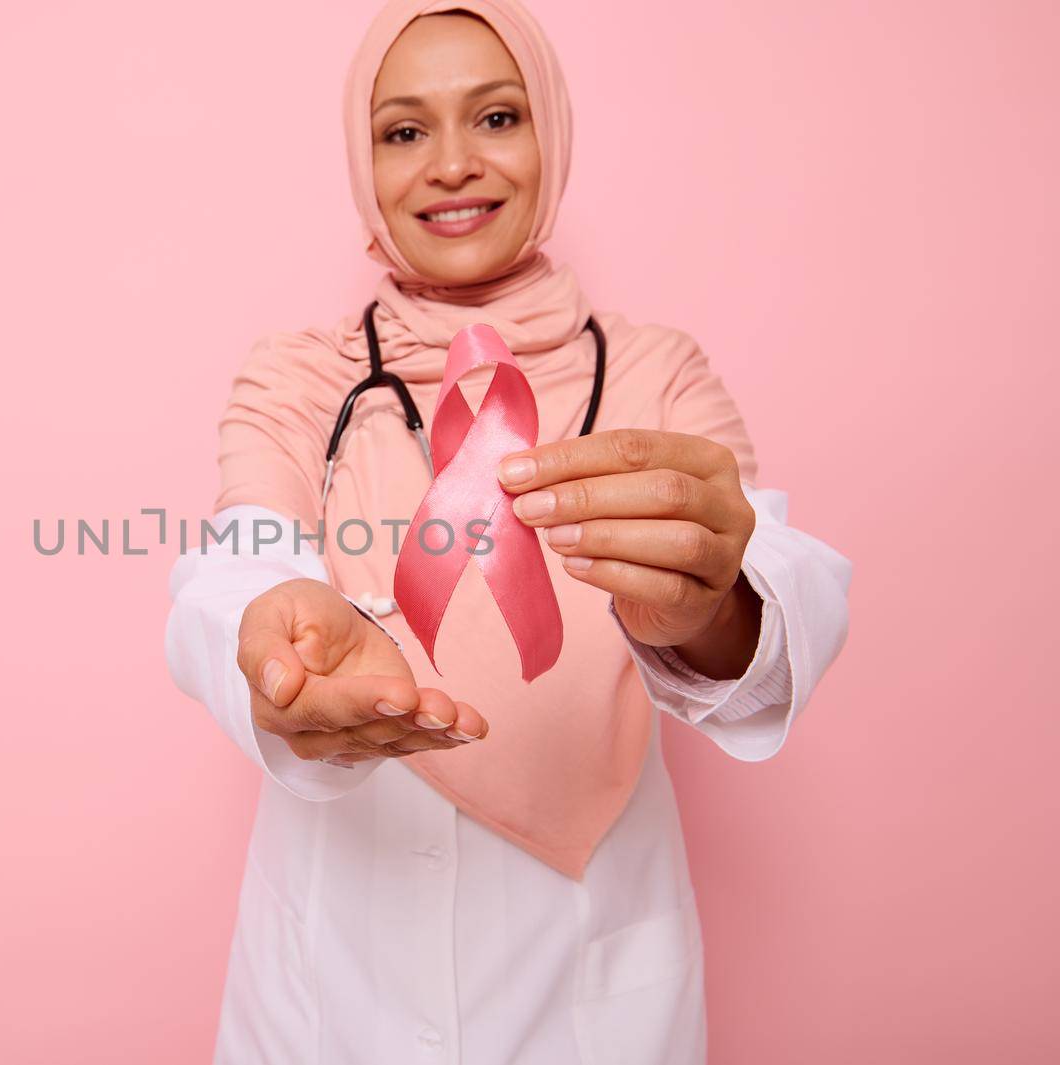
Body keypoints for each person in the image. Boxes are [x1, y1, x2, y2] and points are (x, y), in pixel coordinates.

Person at [164, 1, 852, 1061]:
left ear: (551, 136)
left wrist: (710, 601)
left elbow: (771, 573)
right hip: (341, 975)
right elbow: (239, 560)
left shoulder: (655, 372)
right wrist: (272, 625)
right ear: (364, 160)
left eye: (495, 116)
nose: (449, 165)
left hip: (589, 974)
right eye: (402, 131)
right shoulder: (300, 376)